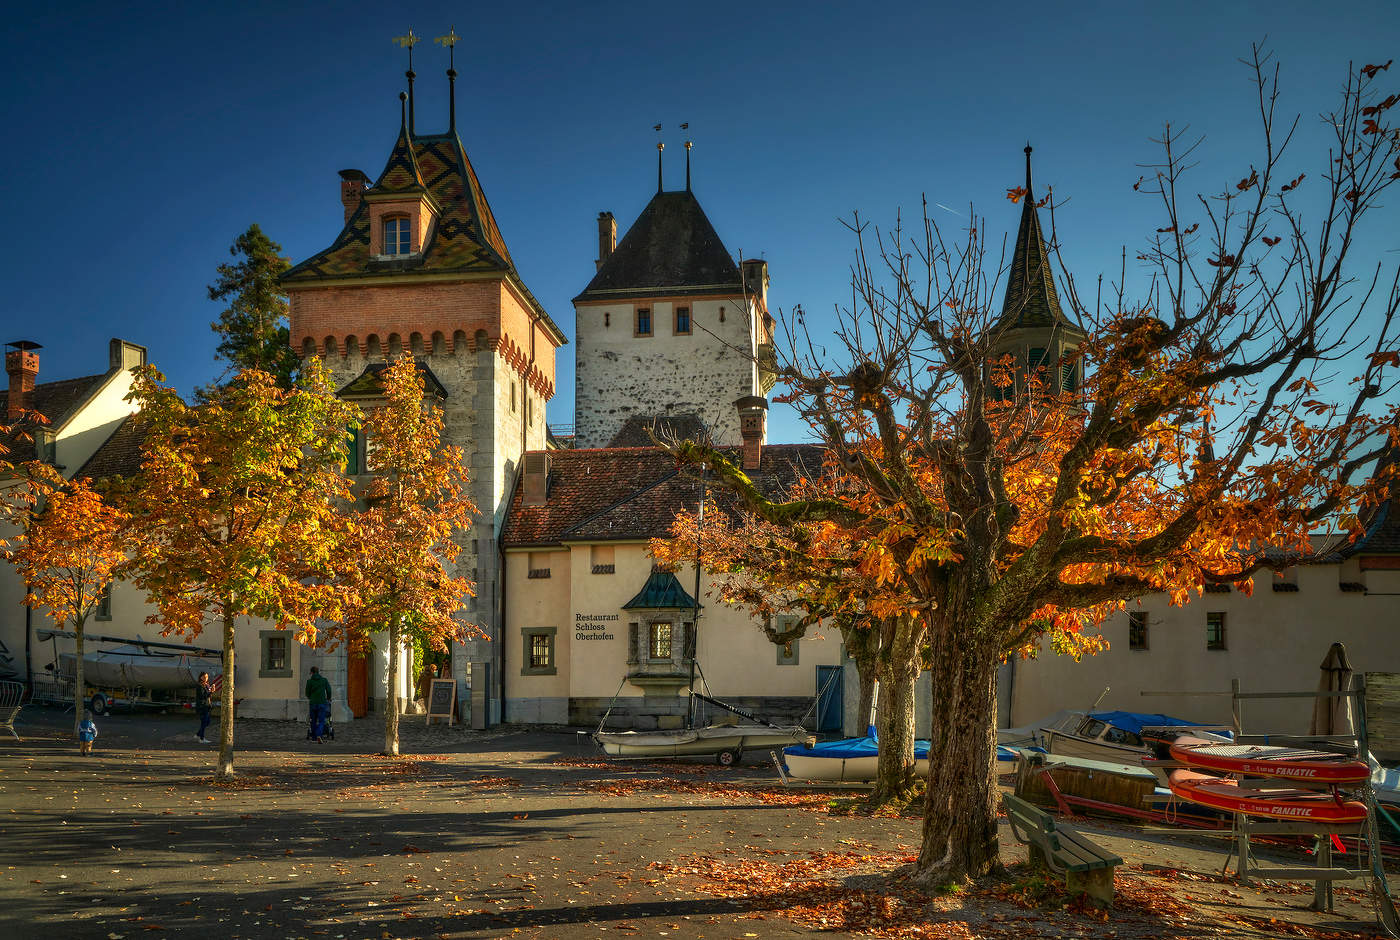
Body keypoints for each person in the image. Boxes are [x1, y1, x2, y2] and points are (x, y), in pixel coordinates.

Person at [306, 666, 332, 743]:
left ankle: (314, 737)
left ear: (311, 672)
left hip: (313, 703)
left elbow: (307, 693)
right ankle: (318, 735)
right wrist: (328, 698)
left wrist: (311, 697)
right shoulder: (324, 680)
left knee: (313, 720)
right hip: (322, 703)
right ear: (318, 672)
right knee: (321, 721)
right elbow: (329, 690)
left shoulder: (309, 681)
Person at [195, 672, 212, 744]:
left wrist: (211, 691)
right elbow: (203, 696)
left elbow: (208, 695)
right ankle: (201, 738)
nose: (206, 678)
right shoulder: (199, 686)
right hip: (202, 706)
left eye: (207, 677)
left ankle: (198, 734)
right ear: (201, 677)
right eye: (204, 677)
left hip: (207, 705)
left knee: (207, 722)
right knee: (204, 722)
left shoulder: (207, 685)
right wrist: (210, 692)